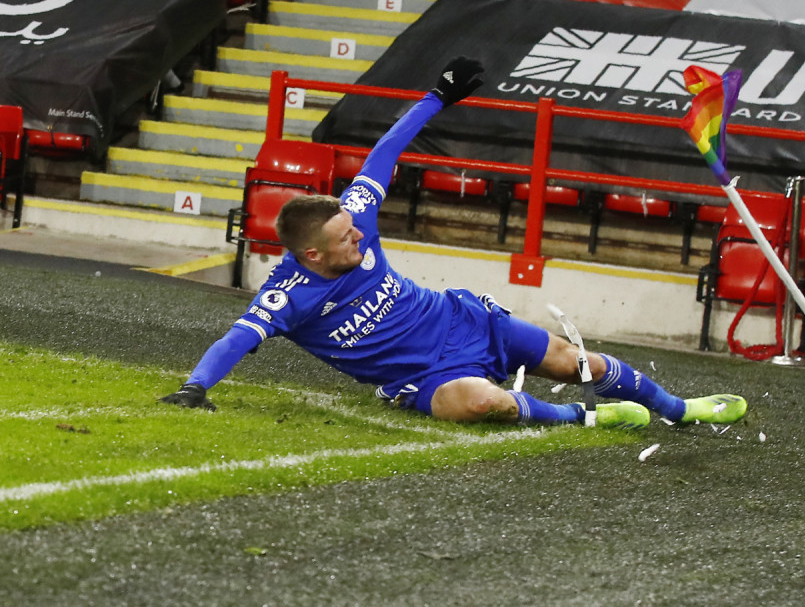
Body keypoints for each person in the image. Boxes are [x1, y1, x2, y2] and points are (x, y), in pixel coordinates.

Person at [160, 57, 748, 430]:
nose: (360, 234)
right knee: (481, 403)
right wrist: (195, 388)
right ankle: (588, 418)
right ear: (312, 254)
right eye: (346, 237)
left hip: (463, 320)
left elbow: (382, 154)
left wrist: (437, 96)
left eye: (354, 224)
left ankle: (678, 410)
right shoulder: (287, 295)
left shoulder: (352, 214)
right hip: (422, 377)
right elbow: (236, 339)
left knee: (577, 362)